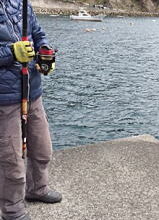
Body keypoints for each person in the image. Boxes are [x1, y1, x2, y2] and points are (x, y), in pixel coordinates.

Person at [0, 0, 61, 219]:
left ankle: (37, 189)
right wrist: (11, 53)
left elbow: (37, 31)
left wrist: (45, 51)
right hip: (4, 100)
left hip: (32, 91)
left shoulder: (22, 2)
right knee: (11, 158)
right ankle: (12, 210)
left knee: (42, 146)